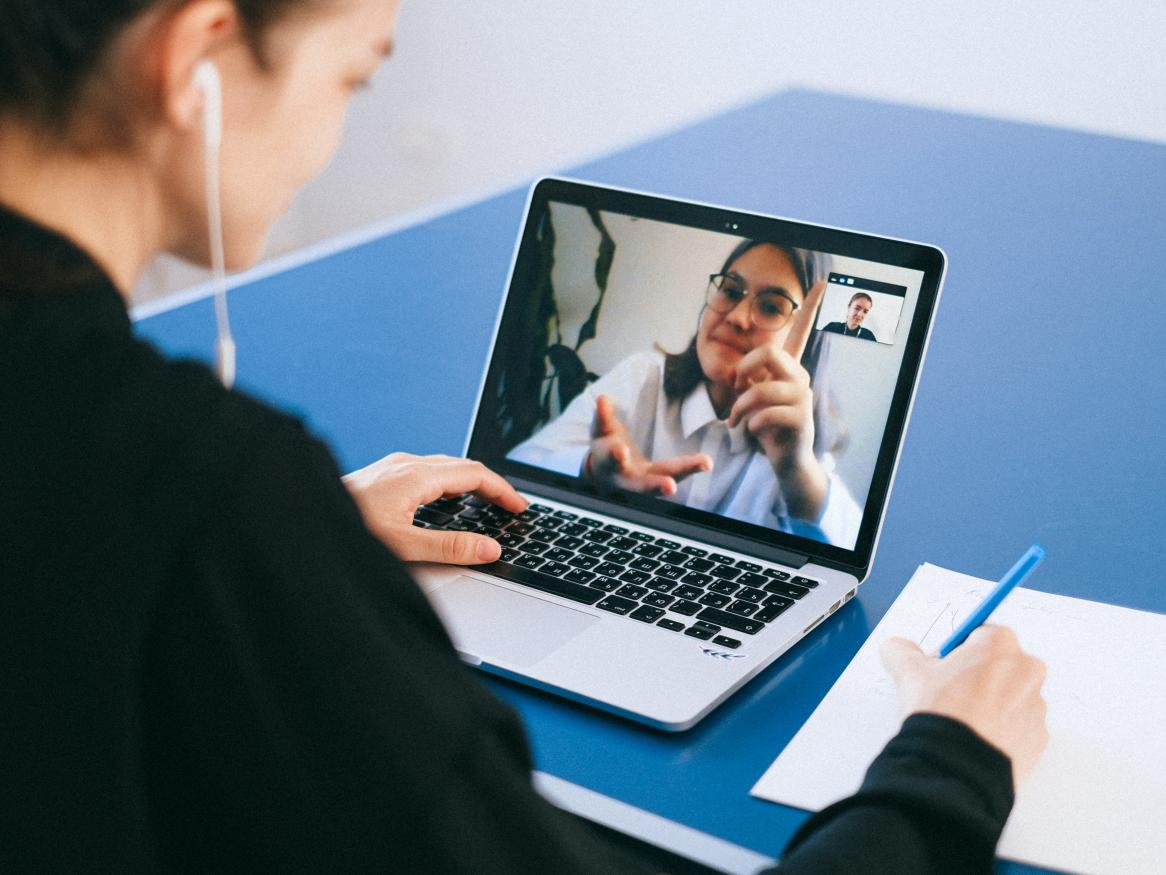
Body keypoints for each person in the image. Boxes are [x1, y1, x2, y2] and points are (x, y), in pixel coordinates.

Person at [0, 0, 1048, 871]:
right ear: (197, 56)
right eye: (353, 80)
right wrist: (947, 762)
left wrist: (309, 529)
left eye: (768, 302)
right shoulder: (212, 494)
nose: (333, 139)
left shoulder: (806, 437)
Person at [510, 239, 863, 546]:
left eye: (771, 306)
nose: (738, 317)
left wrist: (796, 468)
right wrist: (590, 468)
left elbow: (848, 557)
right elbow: (521, 463)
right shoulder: (643, 377)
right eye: (730, 290)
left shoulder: (798, 444)